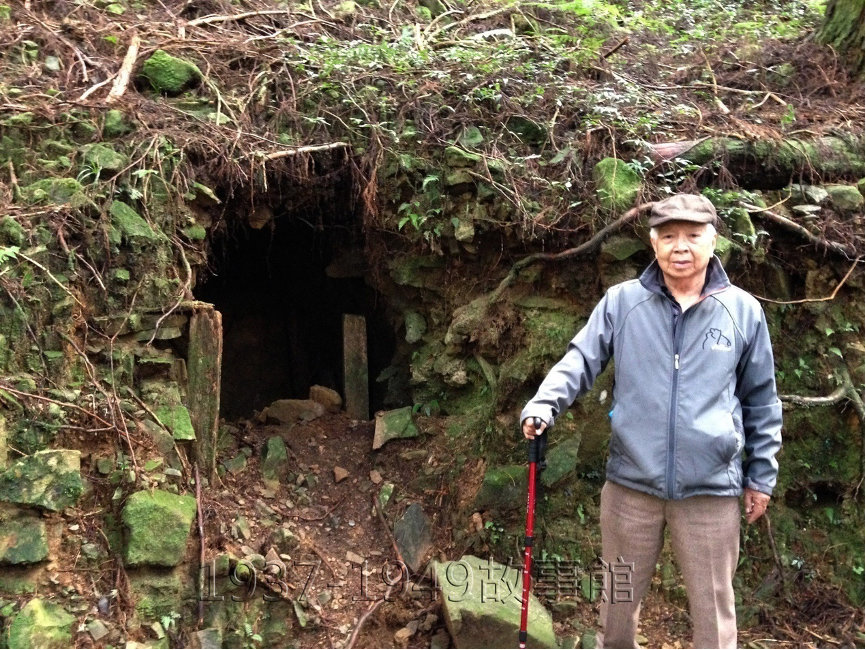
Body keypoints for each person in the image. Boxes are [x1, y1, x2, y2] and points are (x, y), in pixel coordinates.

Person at [520, 194, 782, 649]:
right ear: (653, 242)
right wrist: (544, 404)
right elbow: (581, 359)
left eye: (693, 236)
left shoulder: (742, 311)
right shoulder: (623, 302)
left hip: (711, 490)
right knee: (617, 608)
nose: (681, 247)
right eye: (669, 236)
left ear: (713, 240)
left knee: (715, 616)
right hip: (630, 487)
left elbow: (761, 399)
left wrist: (761, 477)